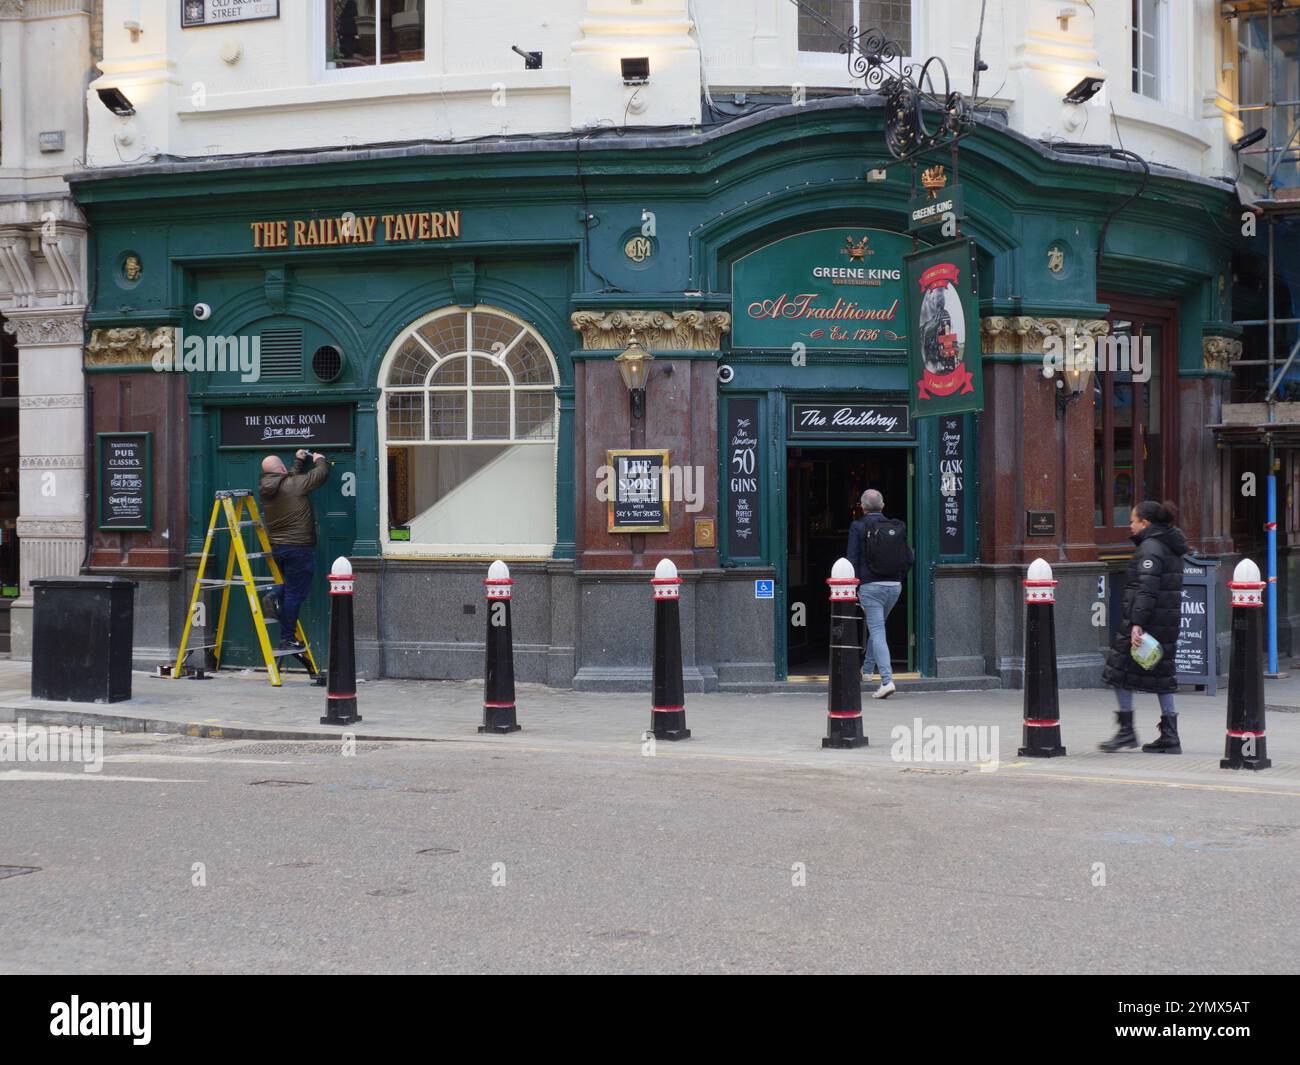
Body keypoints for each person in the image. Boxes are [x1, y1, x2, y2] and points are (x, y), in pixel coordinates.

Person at [1099, 499, 1187, 754]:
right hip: (1165, 620)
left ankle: (1127, 731)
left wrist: (1137, 624)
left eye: (1132, 521)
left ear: (1145, 523)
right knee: (1162, 675)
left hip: (1147, 621)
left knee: (1118, 672)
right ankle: (1170, 735)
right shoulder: (1168, 544)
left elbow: (1147, 588)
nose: (1131, 525)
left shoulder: (1150, 547)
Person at [259, 449, 330, 652]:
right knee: (294, 592)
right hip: (299, 547)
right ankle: (287, 636)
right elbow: (320, 475)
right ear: (281, 469)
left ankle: (274, 595)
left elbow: (288, 480)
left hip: (279, 548)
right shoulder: (293, 484)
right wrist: (320, 460)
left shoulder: (267, 487)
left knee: (290, 587)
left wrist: (298, 462)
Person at [846, 488, 914, 699]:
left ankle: (887, 680)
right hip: (894, 586)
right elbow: (910, 558)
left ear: (863, 507)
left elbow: (852, 558)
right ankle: (867, 671)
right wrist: (899, 577)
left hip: (870, 586)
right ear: (883, 506)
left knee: (876, 631)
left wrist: (855, 585)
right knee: (878, 628)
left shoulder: (858, 526)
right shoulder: (896, 526)